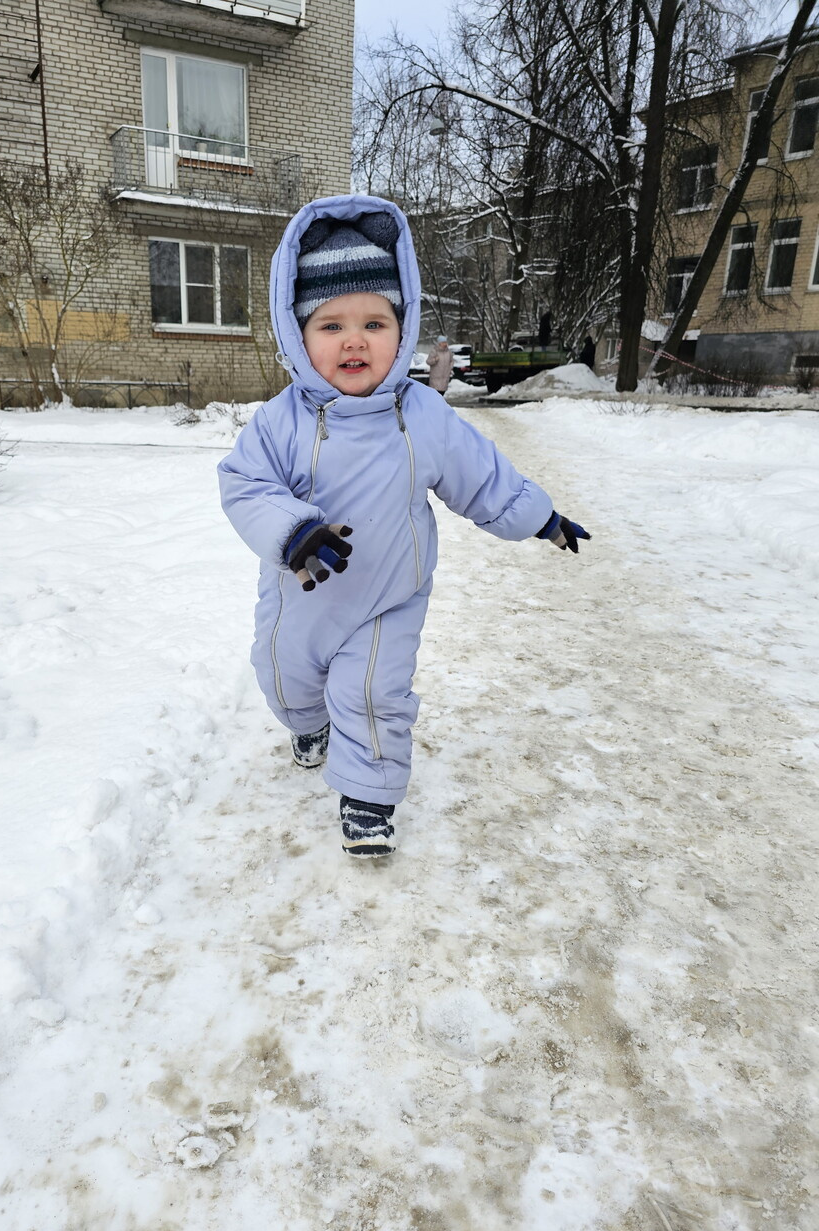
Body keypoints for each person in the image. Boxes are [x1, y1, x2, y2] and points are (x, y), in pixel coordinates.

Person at [217, 195, 590, 859]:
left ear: (404, 326)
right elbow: (244, 484)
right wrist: (292, 529)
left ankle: (368, 797)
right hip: (299, 599)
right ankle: (308, 726)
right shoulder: (282, 419)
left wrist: (542, 518)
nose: (354, 340)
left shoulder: (421, 415)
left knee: (372, 694)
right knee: (284, 682)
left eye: (375, 322)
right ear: (297, 335)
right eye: (330, 325)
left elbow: (482, 476)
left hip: (389, 597)